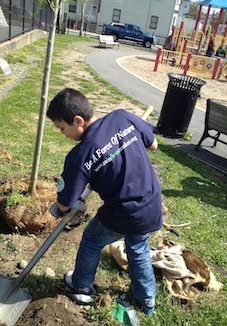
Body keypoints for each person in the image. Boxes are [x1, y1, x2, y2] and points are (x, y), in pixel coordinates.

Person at [46, 88, 163, 315]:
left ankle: (81, 286)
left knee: (91, 239)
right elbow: (153, 145)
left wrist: (60, 210)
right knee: (138, 248)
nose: (62, 133)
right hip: (151, 202)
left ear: (78, 121)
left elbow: (65, 204)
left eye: (62, 128)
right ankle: (147, 301)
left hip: (124, 212)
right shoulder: (121, 117)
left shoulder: (80, 156)